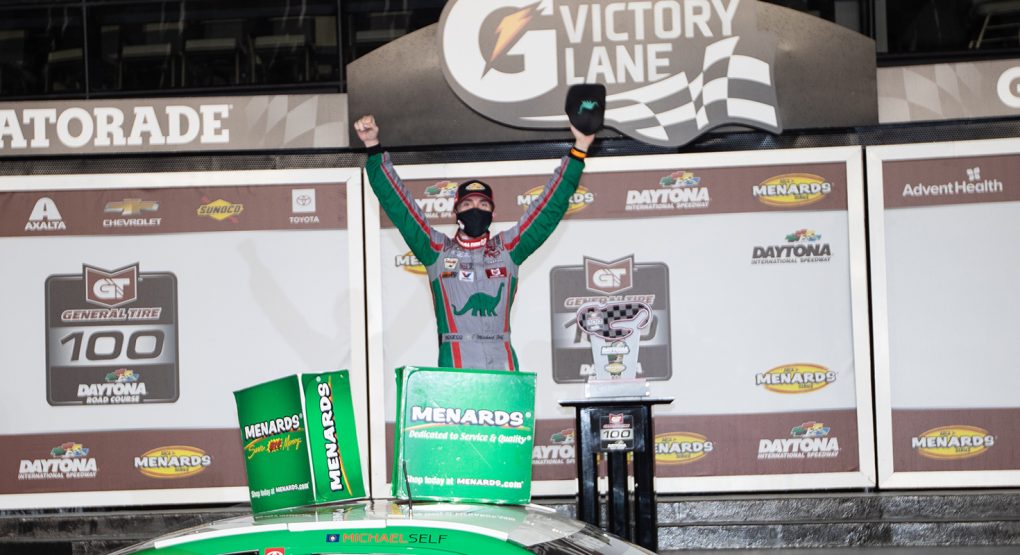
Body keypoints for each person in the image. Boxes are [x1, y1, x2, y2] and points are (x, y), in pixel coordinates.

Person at [354, 114, 595, 371]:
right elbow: (399, 205)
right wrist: (374, 148)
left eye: (483, 204)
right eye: (467, 205)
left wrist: (578, 151)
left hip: (503, 361)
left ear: (494, 214)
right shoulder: (437, 250)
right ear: (456, 213)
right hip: (455, 361)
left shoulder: (507, 249)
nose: (475, 209)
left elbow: (548, 207)